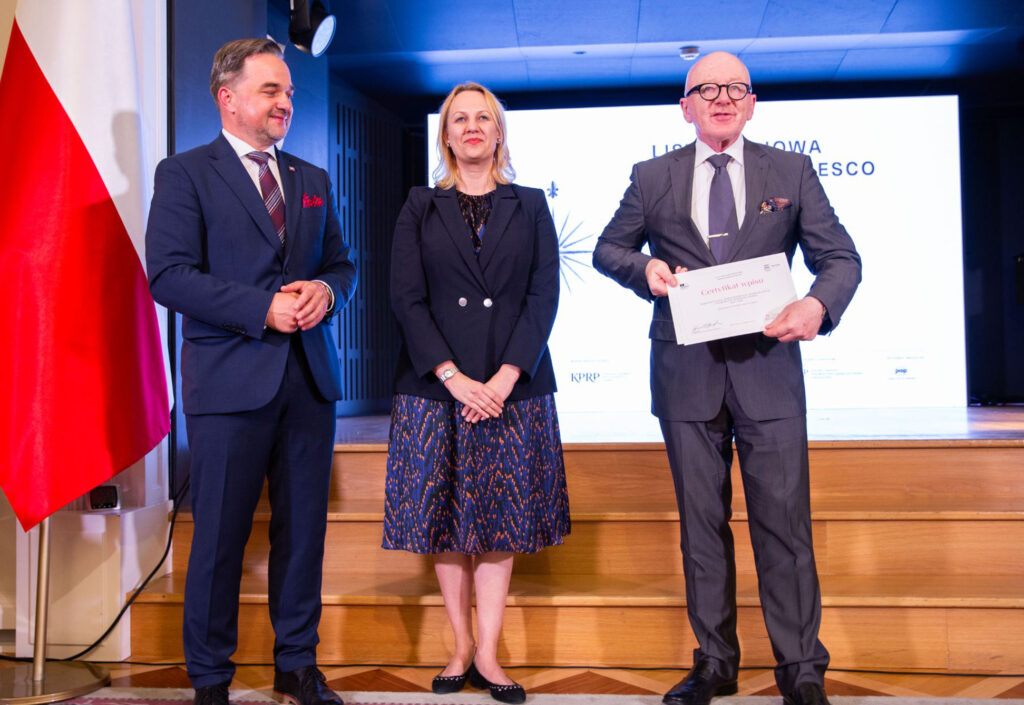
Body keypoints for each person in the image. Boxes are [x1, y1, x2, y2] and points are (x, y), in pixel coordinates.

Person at [593, 52, 861, 705]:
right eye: (706, 88)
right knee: (701, 524)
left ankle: (801, 666)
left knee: (784, 522)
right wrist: (644, 271)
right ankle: (715, 660)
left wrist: (816, 305)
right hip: (685, 373)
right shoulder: (651, 175)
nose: (721, 97)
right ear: (685, 105)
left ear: (751, 101)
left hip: (768, 371)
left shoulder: (790, 170)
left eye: (734, 88)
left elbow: (840, 259)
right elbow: (609, 248)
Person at [146, 38, 357, 705]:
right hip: (229, 383)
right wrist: (262, 308)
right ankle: (210, 676)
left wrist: (328, 293)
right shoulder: (184, 174)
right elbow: (169, 276)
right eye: (271, 90)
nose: (285, 103)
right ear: (227, 96)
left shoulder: (311, 179)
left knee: (304, 535)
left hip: (308, 384)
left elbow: (342, 266)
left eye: (289, 92)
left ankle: (297, 665)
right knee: (218, 539)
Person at [382, 82, 569, 705]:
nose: (470, 128)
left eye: (481, 118)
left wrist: (506, 376)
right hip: (437, 390)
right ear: (445, 134)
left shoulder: (532, 205)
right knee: (444, 526)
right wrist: (453, 377)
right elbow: (405, 299)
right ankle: (458, 645)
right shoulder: (418, 205)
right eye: (458, 119)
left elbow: (544, 298)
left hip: (513, 387)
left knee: (499, 523)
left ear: (498, 132)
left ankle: (489, 653)